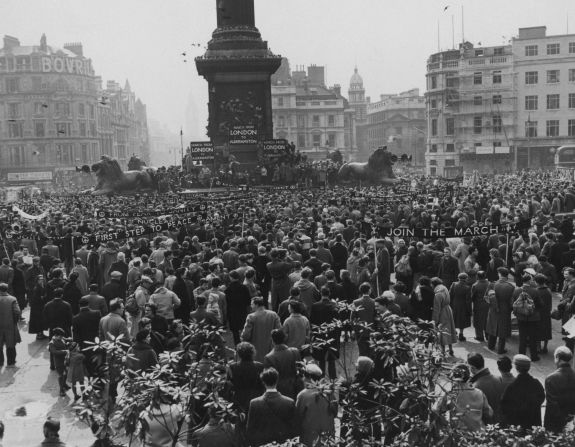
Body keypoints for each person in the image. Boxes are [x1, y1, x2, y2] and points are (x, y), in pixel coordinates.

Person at [246, 367, 297, 447]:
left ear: (263, 382)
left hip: (262, 443)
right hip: (283, 443)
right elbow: (294, 428)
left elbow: (250, 429)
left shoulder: (254, 403)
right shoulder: (289, 402)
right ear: (277, 380)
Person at [295, 363, 337, 446]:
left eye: (304, 376)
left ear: (309, 378)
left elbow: (298, 416)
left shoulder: (303, 395)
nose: (303, 379)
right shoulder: (329, 393)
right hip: (327, 438)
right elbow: (335, 413)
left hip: (310, 438)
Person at [500, 354, 545, 429]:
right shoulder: (536, 383)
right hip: (533, 424)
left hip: (518, 426)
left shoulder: (512, 386)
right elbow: (541, 398)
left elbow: (504, 406)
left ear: (516, 367)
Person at [449, 363, 493, 432]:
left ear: (453, 378)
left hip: (459, 434)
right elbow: (489, 413)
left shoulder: (450, 394)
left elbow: (435, 410)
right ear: (468, 376)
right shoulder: (479, 393)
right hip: (479, 434)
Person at [225, 342, 264, 413]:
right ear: (253, 352)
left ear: (239, 354)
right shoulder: (260, 366)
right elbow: (263, 385)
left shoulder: (233, 367)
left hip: (239, 399)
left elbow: (229, 385)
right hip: (256, 398)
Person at [263, 329, 302, 399]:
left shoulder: (269, 357)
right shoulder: (295, 351)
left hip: (280, 390)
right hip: (297, 388)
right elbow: (300, 369)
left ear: (272, 340)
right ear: (284, 338)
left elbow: (269, 379)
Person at [544, 346, 575, 433]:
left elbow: (552, 404)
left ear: (557, 357)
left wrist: (563, 423)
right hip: (571, 421)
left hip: (554, 423)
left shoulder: (551, 378)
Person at [241, 296, 281, 362]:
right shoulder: (273, 314)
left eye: (252, 304)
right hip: (271, 347)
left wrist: (243, 339)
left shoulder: (251, 316)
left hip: (256, 348)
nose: (251, 306)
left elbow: (246, 335)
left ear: (256, 305)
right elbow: (279, 330)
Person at [512, 273, 542, 361]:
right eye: (532, 279)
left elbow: (513, 302)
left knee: (522, 337)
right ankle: (534, 356)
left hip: (521, 317)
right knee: (533, 337)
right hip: (533, 317)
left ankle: (521, 356)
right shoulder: (535, 291)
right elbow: (540, 304)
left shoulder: (517, 290)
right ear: (529, 280)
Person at [467, 352, 504, 424]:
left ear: (472, 368)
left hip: (487, 426)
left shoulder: (475, 387)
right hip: (501, 421)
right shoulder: (499, 378)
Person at [487, 267, 515, 354]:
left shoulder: (492, 284)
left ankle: (490, 346)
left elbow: (486, 298)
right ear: (507, 276)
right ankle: (500, 349)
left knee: (492, 326)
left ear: (499, 274)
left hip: (493, 309)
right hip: (505, 310)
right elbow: (512, 301)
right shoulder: (510, 287)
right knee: (503, 330)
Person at [431, 277, 457, 356]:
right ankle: (451, 349)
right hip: (448, 309)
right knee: (450, 329)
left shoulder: (437, 294)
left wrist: (434, 320)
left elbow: (436, 309)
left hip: (442, 312)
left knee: (442, 331)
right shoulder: (444, 288)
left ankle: (442, 351)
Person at [225, 270, 252, 345]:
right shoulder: (244, 287)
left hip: (232, 312)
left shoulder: (228, 289)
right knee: (244, 327)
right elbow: (248, 300)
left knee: (235, 331)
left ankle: (237, 345)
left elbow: (226, 302)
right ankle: (246, 343)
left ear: (231, 278)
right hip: (242, 310)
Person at [351, 282, 376, 356]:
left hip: (360, 330)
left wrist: (355, 329)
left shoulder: (355, 302)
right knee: (372, 352)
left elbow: (352, 318)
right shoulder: (374, 302)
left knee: (362, 352)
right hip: (372, 330)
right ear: (369, 290)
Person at [0, 282, 21, 367]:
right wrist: (14, 322)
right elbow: (17, 312)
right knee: (10, 343)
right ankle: (11, 361)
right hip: (10, 324)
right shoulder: (12, 299)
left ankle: (0, 361)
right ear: (7, 289)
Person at [449, 273, 472, 341]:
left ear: (458, 278)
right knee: (462, 320)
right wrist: (470, 310)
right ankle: (461, 334)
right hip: (463, 306)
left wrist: (450, 304)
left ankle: (453, 332)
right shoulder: (467, 288)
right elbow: (468, 300)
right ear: (466, 279)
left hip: (454, 304)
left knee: (454, 318)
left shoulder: (454, 284)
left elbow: (450, 295)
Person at [48, 328, 70, 397]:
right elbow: (54, 352)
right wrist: (65, 351)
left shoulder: (61, 338)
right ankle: (61, 390)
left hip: (65, 360)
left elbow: (65, 339)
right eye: (60, 336)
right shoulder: (52, 343)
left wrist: (69, 339)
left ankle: (64, 384)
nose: (61, 338)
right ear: (56, 335)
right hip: (58, 362)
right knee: (61, 375)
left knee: (66, 373)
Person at [535, 274, 553, 354]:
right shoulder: (548, 290)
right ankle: (545, 347)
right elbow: (550, 303)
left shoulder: (536, 291)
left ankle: (538, 347)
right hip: (546, 313)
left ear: (536, 282)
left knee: (537, 330)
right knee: (546, 330)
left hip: (538, 313)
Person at [470, 271, 490, 342]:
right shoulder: (489, 284)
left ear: (477, 276)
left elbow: (472, 297)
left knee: (478, 321)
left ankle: (479, 336)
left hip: (478, 305)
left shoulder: (475, 285)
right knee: (487, 320)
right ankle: (488, 336)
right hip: (488, 305)